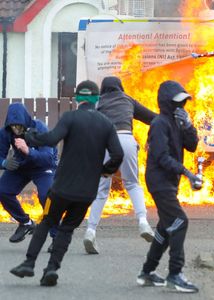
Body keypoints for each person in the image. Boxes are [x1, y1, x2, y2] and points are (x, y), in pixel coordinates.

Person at [10, 80, 123, 287]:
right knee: (67, 229)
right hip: (87, 192)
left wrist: (30, 137)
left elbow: (51, 139)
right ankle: (51, 269)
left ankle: (29, 263)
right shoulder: (106, 123)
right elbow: (118, 155)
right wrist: (103, 171)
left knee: (47, 221)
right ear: (96, 99)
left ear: (78, 99)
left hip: (61, 189)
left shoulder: (70, 117)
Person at [136, 80, 201, 293]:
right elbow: (162, 157)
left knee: (165, 228)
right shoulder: (159, 124)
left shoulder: (176, 122)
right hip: (159, 181)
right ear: (167, 103)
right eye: (177, 103)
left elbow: (191, 146)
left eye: (183, 103)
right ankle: (175, 273)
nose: (181, 107)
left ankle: (147, 272)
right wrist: (187, 173)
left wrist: (189, 126)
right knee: (180, 222)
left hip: (169, 182)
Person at [83, 76, 156, 254]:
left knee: (101, 190)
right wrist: (150, 138)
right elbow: (154, 118)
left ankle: (90, 231)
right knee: (132, 183)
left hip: (105, 143)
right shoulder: (127, 99)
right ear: (120, 87)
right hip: (126, 138)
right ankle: (143, 222)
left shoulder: (98, 101)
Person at [0, 103, 58, 244]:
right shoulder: (5, 132)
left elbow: (48, 158)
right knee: (3, 191)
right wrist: (4, 163)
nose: (16, 130)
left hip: (43, 167)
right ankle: (25, 223)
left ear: (25, 121)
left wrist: (27, 150)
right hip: (22, 165)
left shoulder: (40, 128)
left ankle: (57, 236)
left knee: (47, 195)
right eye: (13, 126)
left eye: (19, 126)